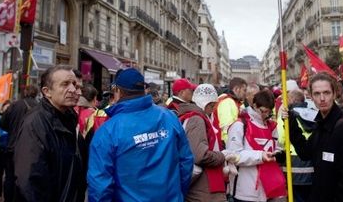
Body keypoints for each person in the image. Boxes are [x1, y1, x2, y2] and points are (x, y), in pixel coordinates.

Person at [88, 68, 193, 201]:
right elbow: (186, 162)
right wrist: (178, 194)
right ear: (144, 89)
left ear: (118, 91)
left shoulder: (108, 131)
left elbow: (100, 186)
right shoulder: (169, 117)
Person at [285, 72, 343, 202]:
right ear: (310, 96)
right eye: (317, 93)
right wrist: (291, 123)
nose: (322, 98)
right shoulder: (321, 123)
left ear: (334, 94)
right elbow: (305, 152)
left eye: (326, 93)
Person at [14, 65, 85, 202]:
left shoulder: (69, 119)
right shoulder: (35, 124)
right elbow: (30, 181)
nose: (73, 89)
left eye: (74, 84)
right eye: (65, 84)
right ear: (47, 92)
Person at [227, 89, 286, 202]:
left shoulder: (271, 126)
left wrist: (279, 154)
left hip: (268, 189)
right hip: (245, 191)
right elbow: (234, 155)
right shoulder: (240, 125)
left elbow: (276, 147)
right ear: (254, 105)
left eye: (268, 112)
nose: (265, 115)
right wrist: (261, 156)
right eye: (263, 111)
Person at [177, 84, 227, 202]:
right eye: (212, 105)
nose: (214, 109)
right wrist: (222, 155)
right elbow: (200, 155)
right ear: (207, 104)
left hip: (203, 185)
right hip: (204, 187)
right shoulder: (197, 119)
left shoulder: (193, 116)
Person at [0, 84, 38, 201]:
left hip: (13, 147)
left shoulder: (14, 105)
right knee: (28, 178)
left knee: (10, 178)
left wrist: (13, 129)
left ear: (25, 93)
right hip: (31, 149)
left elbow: (3, 124)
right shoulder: (40, 107)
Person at [277, 89, 315, 202]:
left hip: (292, 164)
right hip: (311, 164)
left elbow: (281, 138)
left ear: (291, 100)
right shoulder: (313, 114)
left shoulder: (286, 116)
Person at [213, 77, 248, 143]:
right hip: (227, 145)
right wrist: (231, 147)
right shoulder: (227, 102)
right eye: (244, 90)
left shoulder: (236, 102)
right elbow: (226, 129)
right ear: (237, 89)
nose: (245, 94)